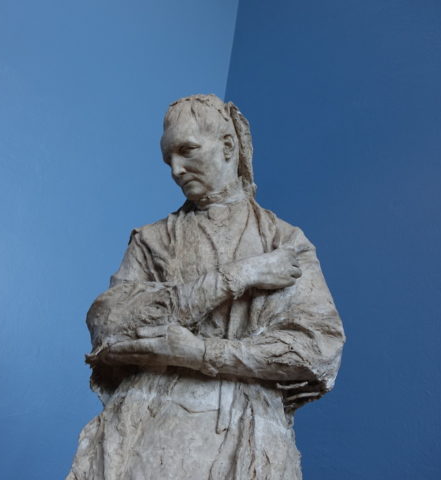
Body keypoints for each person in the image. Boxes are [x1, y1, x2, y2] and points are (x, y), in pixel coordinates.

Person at [66, 94, 345, 480]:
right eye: (168, 158)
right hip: (147, 432)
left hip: (250, 438)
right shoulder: (152, 241)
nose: (175, 170)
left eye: (187, 151)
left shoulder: (284, 242)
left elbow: (318, 349)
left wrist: (200, 353)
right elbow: (108, 326)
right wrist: (239, 276)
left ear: (228, 147)